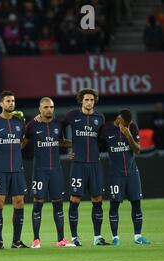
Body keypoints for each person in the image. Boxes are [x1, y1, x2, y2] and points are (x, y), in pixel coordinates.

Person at [22, 97, 74, 248]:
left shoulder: (58, 124)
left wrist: (80, 145)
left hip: (56, 171)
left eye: (51, 107)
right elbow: (22, 144)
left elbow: (61, 141)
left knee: (58, 204)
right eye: (45, 107)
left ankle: (61, 240)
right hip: (40, 171)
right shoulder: (31, 126)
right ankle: (36, 240)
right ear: (40, 109)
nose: (49, 110)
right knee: (38, 204)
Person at [62, 89, 109, 246]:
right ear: (81, 101)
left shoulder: (99, 117)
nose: (89, 102)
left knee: (97, 199)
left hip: (95, 164)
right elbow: (57, 126)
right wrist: (66, 147)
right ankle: (74, 238)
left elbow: (102, 139)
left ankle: (97, 238)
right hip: (78, 165)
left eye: (92, 100)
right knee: (75, 198)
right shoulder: (72, 115)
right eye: (86, 99)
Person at [0, 91, 29, 249]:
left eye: (13, 101)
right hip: (1, 171)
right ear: (1, 104)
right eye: (8, 101)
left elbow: (22, 142)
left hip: (17, 169)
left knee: (19, 202)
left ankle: (17, 241)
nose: (11, 103)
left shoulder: (20, 123)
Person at [101, 109, 150, 245]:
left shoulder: (132, 127)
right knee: (114, 205)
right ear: (118, 119)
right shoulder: (107, 129)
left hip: (132, 173)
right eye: (124, 123)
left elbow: (138, 150)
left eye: (128, 123)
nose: (127, 125)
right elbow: (92, 142)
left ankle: (138, 237)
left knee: (136, 204)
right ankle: (115, 238)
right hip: (116, 175)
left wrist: (129, 136)